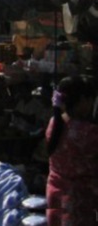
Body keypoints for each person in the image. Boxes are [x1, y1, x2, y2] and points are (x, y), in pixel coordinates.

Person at [46, 76, 98, 225]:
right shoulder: (88, 132)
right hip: (78, 200)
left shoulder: (54, 123)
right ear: (82, 100)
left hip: (55, 194)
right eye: (90, 100)